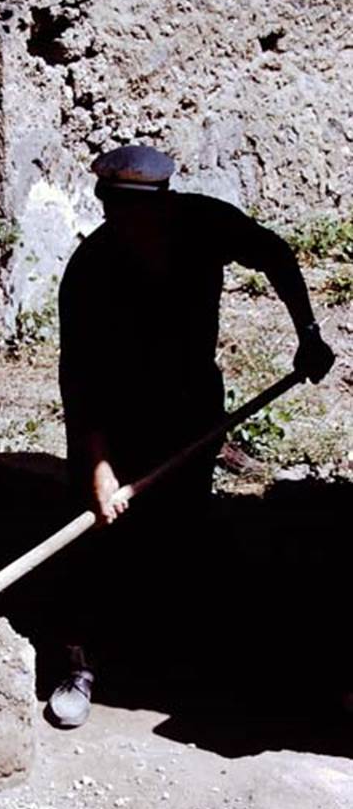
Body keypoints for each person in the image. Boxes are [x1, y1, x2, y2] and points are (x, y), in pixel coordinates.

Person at [47, 143, 335, 728]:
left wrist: (307, 332)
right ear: (104, 204)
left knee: (183, 523)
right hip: (117, 417)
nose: (132, 223)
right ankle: (81, 662)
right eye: (119, 210)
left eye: (143, 210)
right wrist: (100, 468)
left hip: (190, 407)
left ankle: (171, 655)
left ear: (164, 200)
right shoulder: (91, 271)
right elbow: (81, 382)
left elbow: (275, 254)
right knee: (99, 538)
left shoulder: (203, 223)